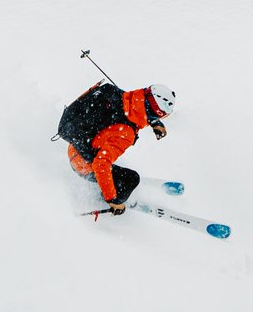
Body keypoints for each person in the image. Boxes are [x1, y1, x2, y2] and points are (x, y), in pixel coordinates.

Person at [58, 81, 174, 214]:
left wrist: (154, 122)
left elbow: (140, 109)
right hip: (83, 165)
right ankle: (103, 200)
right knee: (132, 179)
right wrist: (112, 199)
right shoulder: (126, 133)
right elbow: (101, 163)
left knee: (108, 157)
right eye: (162, 115)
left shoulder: (121, 95)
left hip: (76, 147)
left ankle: (108, 184)